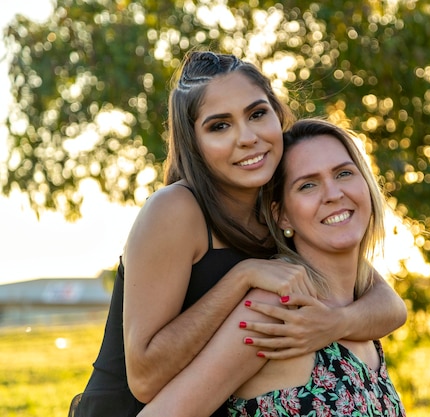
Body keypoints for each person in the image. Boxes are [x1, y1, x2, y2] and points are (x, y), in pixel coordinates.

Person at [69, 51, 406, 417]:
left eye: (257, 114)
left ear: (277, 115)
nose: (247, 138)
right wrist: (241, 278)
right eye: (219, 126)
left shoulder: (277, 208)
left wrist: (335, 323)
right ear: (193, 141)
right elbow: (145, 379)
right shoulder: (177, 210)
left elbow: (387, 304)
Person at [136, 118, 406, 416]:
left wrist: (340, 321)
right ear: (282, 217)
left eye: (343, 173)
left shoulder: (361, 309)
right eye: (308, 185)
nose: (333, 193)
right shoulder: (273, 311)